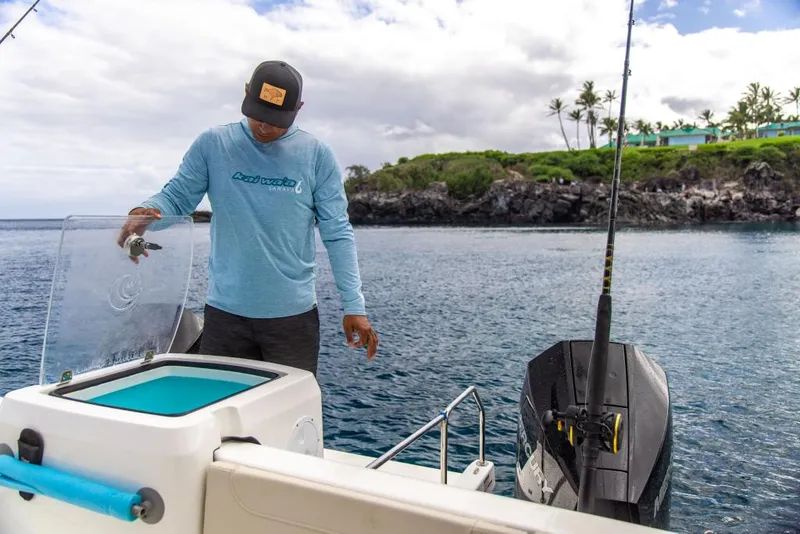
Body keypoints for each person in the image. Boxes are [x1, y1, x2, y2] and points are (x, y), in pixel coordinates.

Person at [118, 60, 379, 376]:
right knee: (216, 411)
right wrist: (142, 216)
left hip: (292, 319)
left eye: (275, 120)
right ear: (245, 93)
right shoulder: (214, 144)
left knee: (287, 416)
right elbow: (175, 198)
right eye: (258, 115)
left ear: (298, 108)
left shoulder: (316, 155)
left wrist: (354, 306)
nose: (265, 127)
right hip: (225, 315)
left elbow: (337, 231)